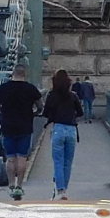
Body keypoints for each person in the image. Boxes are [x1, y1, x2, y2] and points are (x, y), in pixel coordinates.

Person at [0, 69, 42, 200]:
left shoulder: (3, 88)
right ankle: (19, 186)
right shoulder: (31, 89)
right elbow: (40, 106)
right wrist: (34, 113)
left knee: (10, 158)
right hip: (25, 127)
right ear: (25, 75)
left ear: (13, 74)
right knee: (22, 157)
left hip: (8, 126)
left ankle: (11, 186)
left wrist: (3, 112)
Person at [43, 69, 84, 201]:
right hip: (71, 130)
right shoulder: (73, 96)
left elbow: (45, 112)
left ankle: (59, 191)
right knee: (67, 162)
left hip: (58, 128)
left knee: (58, 162)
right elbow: (81, 112)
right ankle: (64, 190)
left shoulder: (52, 95)